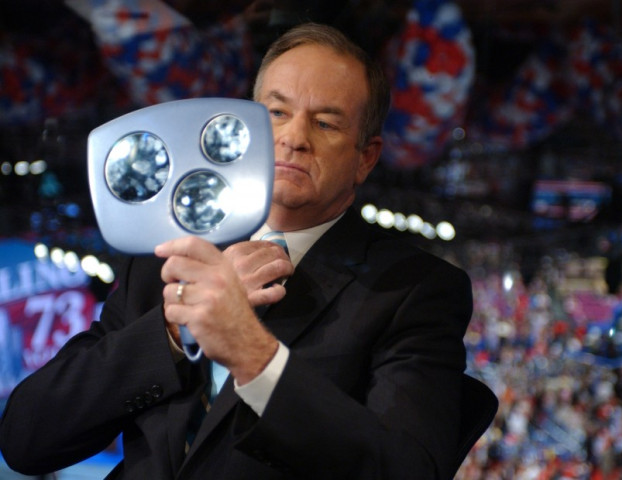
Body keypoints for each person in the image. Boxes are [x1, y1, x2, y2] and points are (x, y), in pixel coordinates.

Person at [0, 22, 473, 480]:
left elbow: (406, 468)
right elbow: (26, 438)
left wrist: (252, 354)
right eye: (276, 112)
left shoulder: (415, 291)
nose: (294, 137)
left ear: (365, 157)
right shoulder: (166, 257)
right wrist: (173, 329)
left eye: (325, 122)